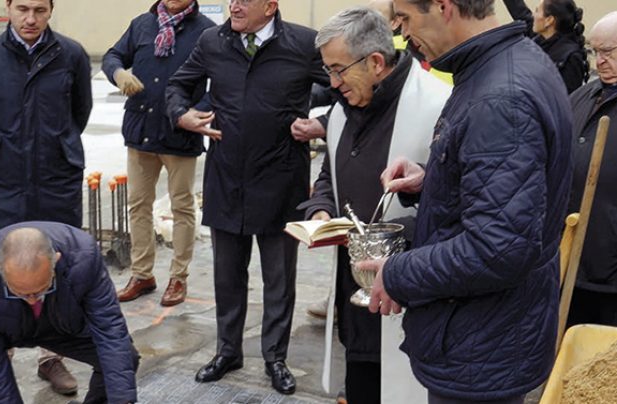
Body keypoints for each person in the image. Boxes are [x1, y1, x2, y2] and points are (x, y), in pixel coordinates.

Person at [355, 0, 573, 403]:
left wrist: (398, 272)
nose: (401, 34)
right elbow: (510, 189)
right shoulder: (509, 63)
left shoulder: (499, 97)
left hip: (482, 342)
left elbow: (498, 248)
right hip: (492, 334)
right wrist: (434, 176)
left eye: (404, 18)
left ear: (443, 6)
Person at [165, 0, 329, 395]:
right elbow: (178, 84)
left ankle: (275, 357)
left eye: (244, 0)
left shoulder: (304, 44)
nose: (233, 6)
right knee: (226, 274)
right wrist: (182, 115)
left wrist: (320, 125)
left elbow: (347, 86)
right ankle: (228, 351)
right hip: (226, 179)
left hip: (280, 180)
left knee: (278, 278)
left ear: (270, 6)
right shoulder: (212, 41)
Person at [296, 8, 451, 404]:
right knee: (363, 383)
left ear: (376, 62)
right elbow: (328, 173)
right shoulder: (342, 110)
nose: (332, 83)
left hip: (412, 294)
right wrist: (320, 210)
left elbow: (457, 198)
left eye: (338, 69)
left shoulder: (438, 105)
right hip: (357, 299)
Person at [0, 0, 91, 394]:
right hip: (5, 180)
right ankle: (0, 353)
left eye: (40, 9)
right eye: (22, 8)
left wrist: (54, 145)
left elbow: (80, 113)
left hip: (56, 177)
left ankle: (50, 356)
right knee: (2, 267)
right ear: (8, 7)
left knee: (56, 269)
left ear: (51, 9)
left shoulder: (71, 55)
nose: (31, 18)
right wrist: (7, 149)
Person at [0, 222, 139, 404]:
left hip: (57, 318)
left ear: (57, 260)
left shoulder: (83, 257)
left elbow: (109, 329)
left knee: (125, 357)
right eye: (21, 292)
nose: (32, 299)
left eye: (40, 289)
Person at [102, 0, 215, 307]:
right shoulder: (142, 25)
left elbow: (219, 82)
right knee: (138, 205)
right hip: (141, 130)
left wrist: (196, 112)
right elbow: (112, 56)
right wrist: (118, 73)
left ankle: (178, 277)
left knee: (182, 207)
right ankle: (142, 274)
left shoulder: (206, 31)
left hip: (179, 132)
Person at [566, 11, 617, 328]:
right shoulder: (585, 95)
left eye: (609, 52)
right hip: (572, 261)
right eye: (595, 51)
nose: (599, 61)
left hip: (611, 275)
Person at [504, 0, 588, 93]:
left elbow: (569, 99)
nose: (534, 15)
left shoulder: (570, 57)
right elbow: (522, 15)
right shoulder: (539, 41)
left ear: (549, 20)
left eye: (537, 11)